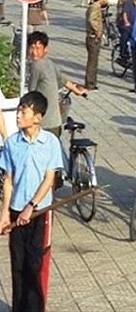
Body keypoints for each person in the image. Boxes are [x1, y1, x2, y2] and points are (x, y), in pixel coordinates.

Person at [0, 91, 64, 312]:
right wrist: (5, 213)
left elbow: (49, 179)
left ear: (38, 117)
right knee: (18, 265)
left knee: (35, 264)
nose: (18, 116)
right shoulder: (11, 143)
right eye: (18, 110)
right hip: (17, 213)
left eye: (23, 111)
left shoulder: (50, 142)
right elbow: (8, 180)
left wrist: (32, 206)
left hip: (39, 214)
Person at [28, 32, 87, 136]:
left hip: (43, 123)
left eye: (38, 48)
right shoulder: (50, 62)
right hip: (55, 121)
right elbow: (64, 81)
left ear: (45, 49)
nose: (34, 52)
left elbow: (31, 94)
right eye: (32, 48)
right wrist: (77, 91)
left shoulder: (36, 65)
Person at [84, 0, 107, 90]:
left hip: (92, 37)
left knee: (94, 60)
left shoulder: (95, 7)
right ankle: (90, 82)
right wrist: (97, 30)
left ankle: (92, 81)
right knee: (92, 61)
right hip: (93, 37)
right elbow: (91, 19)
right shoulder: (95, 7)